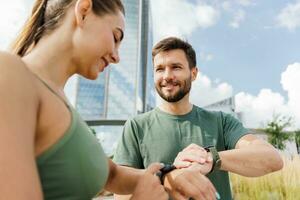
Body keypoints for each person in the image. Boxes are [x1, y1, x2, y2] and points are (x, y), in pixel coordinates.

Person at [0, 0, 175, 199]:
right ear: (83, 11)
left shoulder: (65, 108)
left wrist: (168, 175)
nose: (117, 57)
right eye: (116, 37)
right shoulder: (9, 73)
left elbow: (112, 174)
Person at [113, 37, 284, 200]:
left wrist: (210, 158)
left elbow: (272, 159)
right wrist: (169, 176)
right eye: (159, 69)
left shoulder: (221, 121)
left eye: (176, 67)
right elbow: (121, 195)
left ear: (193, 73)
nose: (167, 76)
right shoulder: (136, 126)